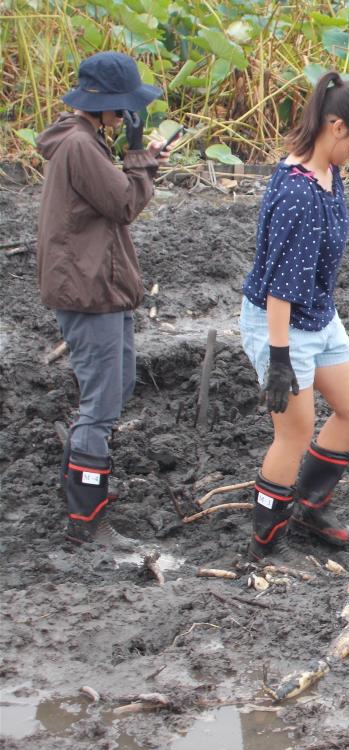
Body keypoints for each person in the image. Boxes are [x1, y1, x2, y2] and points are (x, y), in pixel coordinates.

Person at [239, 71, 349, 563]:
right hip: (279, 322)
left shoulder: (329, 174)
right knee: (294, 431)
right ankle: (265, 544)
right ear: (336, 126)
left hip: (318, 314)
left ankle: (309, 507)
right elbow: (279, 289)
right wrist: (279, 360)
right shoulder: (297, 193)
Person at [36, 51, 169, 548]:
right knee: (101, 404)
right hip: (89, 290)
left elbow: (116, 199)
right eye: (125, 109)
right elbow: (124, 205)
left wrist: (141, 161)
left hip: (100, 287)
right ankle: (88, 522)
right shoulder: (81, 146)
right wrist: (137, 156)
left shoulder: (84, 140)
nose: (127, 116)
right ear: (110, 105)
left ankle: (83, 490)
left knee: (119, 385)